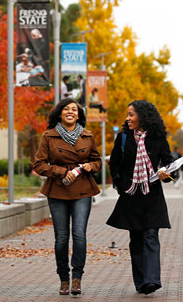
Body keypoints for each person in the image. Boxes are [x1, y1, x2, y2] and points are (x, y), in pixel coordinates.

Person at [33, 99, 101, 296]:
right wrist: (62, 172)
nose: (70, 112)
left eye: (74, 109)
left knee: (79, 234)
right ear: (60, 114)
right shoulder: (49, 136)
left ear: (78, 115)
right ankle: (64, 279)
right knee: (61, 238)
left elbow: (97, 161)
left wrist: (89, 166)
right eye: (66, 109)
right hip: (58, 190)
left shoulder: (87, 135)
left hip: (82, 190)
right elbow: (39, 164)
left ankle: (77, 278)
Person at [107, 100, 173, 295]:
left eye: (131, 115)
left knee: (151, 235)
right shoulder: (124, 138)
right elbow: (115, 165)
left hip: (152, 196)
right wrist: (122, 186)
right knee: (136, 238)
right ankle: (141, 281)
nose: (127, 119)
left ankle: (151, 280)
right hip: (131, 196)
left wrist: (165, 174)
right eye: (127, 115)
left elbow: (169, 165)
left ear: (143, 116)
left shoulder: (159, 138)